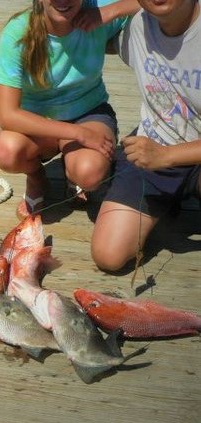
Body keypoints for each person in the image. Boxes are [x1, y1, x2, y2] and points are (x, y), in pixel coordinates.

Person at [0, 0, 140, 218]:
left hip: (89, 111)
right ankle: (37, 178)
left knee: (89, 173)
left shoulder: (95, 11)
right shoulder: (18, 32)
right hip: (41, 121)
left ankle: (73, 172)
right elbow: (8, 116)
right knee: (6, 151)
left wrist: (109, 12)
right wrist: (78, 134)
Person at [91, 0, 201, 272]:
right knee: (108, 255)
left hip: (187, 154)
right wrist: (112, 10)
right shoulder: (137, 26)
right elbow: (72, 34)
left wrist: (167, 156)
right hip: (152, 145)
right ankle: (163, 204)